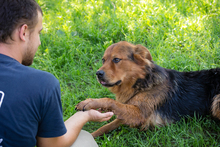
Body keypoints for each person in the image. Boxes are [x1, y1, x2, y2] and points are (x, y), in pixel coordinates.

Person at [0, 0, 114, 146]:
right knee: (82, 140)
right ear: (23, 32)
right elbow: (52, 144)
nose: (39, 42)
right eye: (38, 33)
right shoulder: (40, 84)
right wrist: (86, 116)